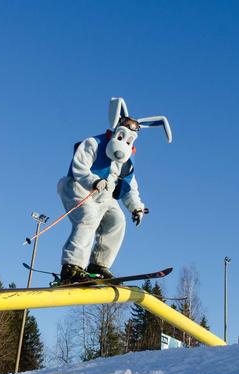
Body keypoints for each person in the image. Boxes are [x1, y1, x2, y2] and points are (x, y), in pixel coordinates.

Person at [57, 98, 172, 284]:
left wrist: (136, 207)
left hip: (104, 196)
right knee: (88, 217)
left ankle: (99, 265)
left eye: (129, 140)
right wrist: (93, 180)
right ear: (115, 130)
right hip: (78, 188)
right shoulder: (94, 143)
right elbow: (79, 166)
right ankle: (72, 266)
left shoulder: (126, 163)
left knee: (117, 220)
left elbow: (129, 188)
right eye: (121, 136)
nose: (123, 143)